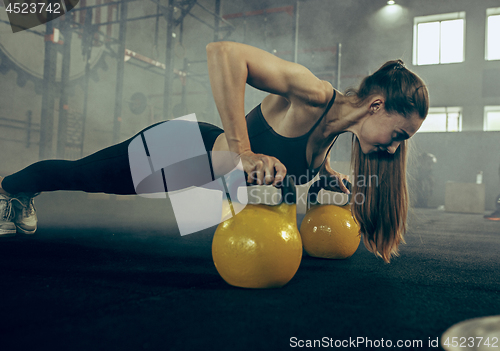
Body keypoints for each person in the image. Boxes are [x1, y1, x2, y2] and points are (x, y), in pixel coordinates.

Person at [0, 41, 429, 263]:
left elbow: (296, 156)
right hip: (184, 150)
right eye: (399, 135)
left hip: (205, 187)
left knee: (91, 180)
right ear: (377, 106)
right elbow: (223, 53)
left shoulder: (336, 133)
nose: (393, 148)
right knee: (84, 177)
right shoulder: (313, 94)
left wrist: (323, 173)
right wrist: (242, 150)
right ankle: (11, 190)